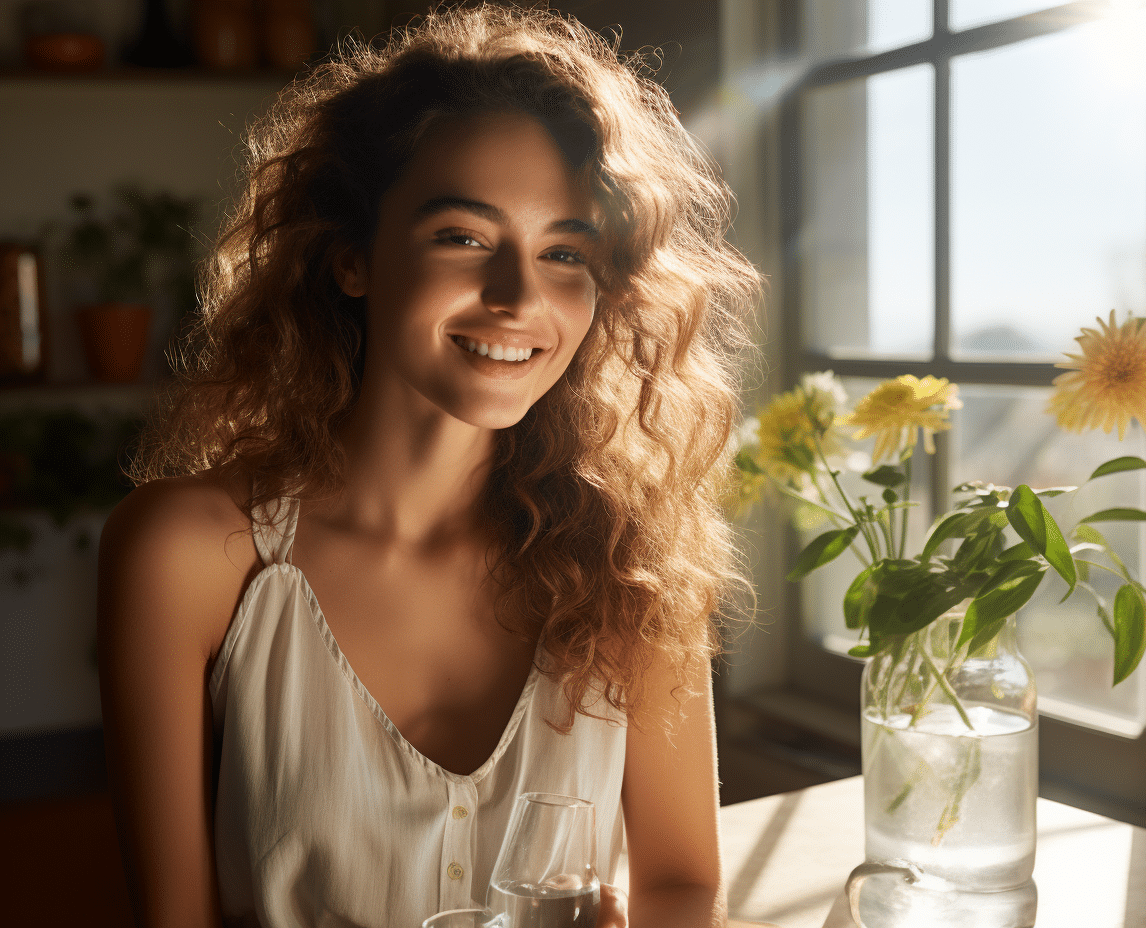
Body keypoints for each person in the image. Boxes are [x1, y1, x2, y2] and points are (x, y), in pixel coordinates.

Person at [97, 5, 760, 927]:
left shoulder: (630, 567)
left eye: (564, 252)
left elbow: (685, 883)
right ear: (352, 257)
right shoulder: (189, 554)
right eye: (464, 236)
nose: (519, 297)